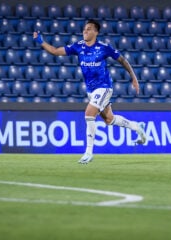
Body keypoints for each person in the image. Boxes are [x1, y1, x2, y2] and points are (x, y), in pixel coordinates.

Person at [33, 19, 146, 164]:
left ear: (96, 32)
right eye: (84, 29)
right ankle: (137, 127)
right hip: (91, 91)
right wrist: (41, 42)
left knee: (89, 113)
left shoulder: (104, 48)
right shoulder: (78, 46)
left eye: (89, 29)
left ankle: (88, 152)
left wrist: (134, 78)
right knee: (109, 119)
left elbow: (122, 60)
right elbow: (55, 51)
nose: (85, 31)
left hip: (104, 87)